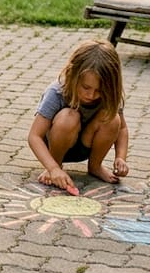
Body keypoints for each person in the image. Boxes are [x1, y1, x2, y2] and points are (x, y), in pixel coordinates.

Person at [27, 39, 130, 190]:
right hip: (56, 145)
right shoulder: (57, 92)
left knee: (112, 118)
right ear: (72, 75)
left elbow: (122, 129)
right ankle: (56, 166)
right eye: (86, 87)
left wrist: (121, 157)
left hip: (86, 146)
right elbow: (34, 136)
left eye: (99, 90)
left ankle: (95, 166)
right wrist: (53, 168)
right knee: (68, 117)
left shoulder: (110, 94)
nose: (92, 95)